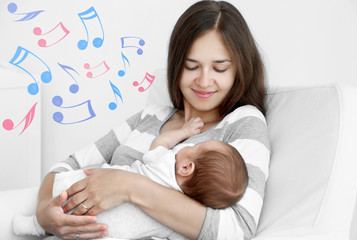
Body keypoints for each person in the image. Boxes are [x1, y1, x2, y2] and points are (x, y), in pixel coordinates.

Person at [36, 1, 270, 239]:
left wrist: (128, 186)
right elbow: (67, 166)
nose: (204, 80)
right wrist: (44, 213)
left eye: (219, 69)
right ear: (177, 66)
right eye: (192, 66)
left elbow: (237, 229)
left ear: (238, 70)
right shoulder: (151, 115)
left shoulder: (244, 121)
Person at [14, 117, 248, 239]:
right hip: (112, 228)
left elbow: (159, 143)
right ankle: (40, 221)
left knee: (67, 188)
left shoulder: (167, 159)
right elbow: (71, 161)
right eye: (192, 65)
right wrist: (44, 208)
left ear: (187, 166)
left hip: (78, 193)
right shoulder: (184, 208)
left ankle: (32, 225)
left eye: (197, 145)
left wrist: (184, 133)